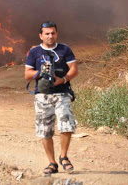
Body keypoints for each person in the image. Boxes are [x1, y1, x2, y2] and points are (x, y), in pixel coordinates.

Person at [24, 21, 79, 175]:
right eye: (47, 33)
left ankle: (64, 157)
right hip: (42, 96)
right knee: (45, 130)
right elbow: (27, 74)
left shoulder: (64, 49)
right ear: (41, 36)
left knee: (66, 124)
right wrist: (40, 73)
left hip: (62, 93)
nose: (50, 36)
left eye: (53, 33)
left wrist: (63, 79)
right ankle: (52, 163)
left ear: (57, 34)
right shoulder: (34, 52)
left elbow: (74, 69)